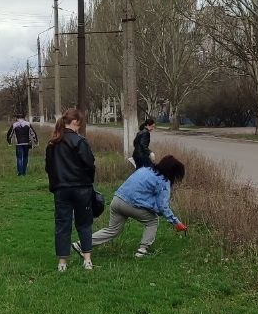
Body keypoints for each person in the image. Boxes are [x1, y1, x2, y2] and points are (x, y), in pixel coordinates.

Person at [85, 154, 187, 260]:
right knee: (152, 220)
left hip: (116, 200)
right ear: (172, 172)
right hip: (129, 205)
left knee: (113, 230)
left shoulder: (145, 169)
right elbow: (163, 207)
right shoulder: (163, 181)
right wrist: (176, 223)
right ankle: (142, 250)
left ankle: (83, 244)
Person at [45, 107, 96, 272]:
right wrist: (89, 182)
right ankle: (87, 260)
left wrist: (56, 185)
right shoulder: (80, 142)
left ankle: (62, 263)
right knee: (84, 224)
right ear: (75, 122)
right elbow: (89, 164)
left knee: (62, 225)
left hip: (61, 189)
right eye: (79, 124)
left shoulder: (52, 143)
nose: (79, 127)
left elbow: (49, 168)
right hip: (81, 188)